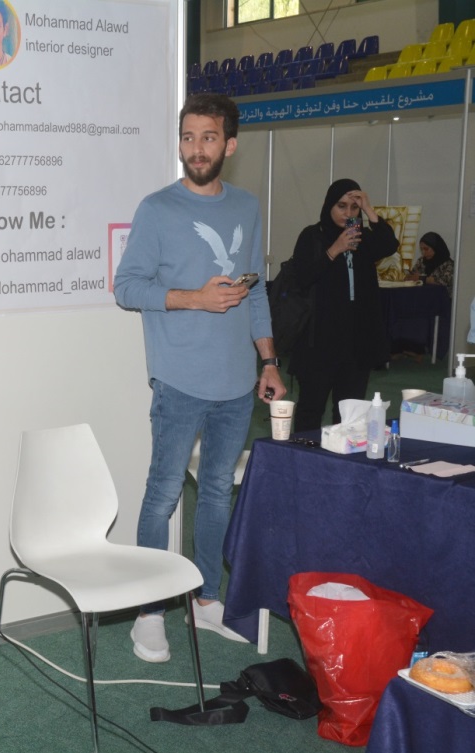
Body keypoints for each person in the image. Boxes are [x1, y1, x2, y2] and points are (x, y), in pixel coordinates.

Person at [114, 93, 286, 664]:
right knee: (163, 494)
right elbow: (126, 288)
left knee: (216, 492)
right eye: (188, 137)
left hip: (237, 383)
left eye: (208, 137)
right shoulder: (157, 209)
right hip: (179, 381)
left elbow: (255, 291)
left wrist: (268, 360)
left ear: (229, 144)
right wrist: (195, 298)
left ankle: (206, 599)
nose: (196, 148)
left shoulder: (247, 206)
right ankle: (149, 612)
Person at [287, 179, 398, 432]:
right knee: (311, 409)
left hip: (355, 342)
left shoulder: (362, 237)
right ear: (329, 205)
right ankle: (304, 454)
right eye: (341, 206)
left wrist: (369, 210)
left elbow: (389, 245)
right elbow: (303, 278)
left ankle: (342, 455)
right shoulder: (312, 236)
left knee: (349, 413)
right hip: (318, 342)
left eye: (354, 207)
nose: (348, 213)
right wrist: (334, 250)